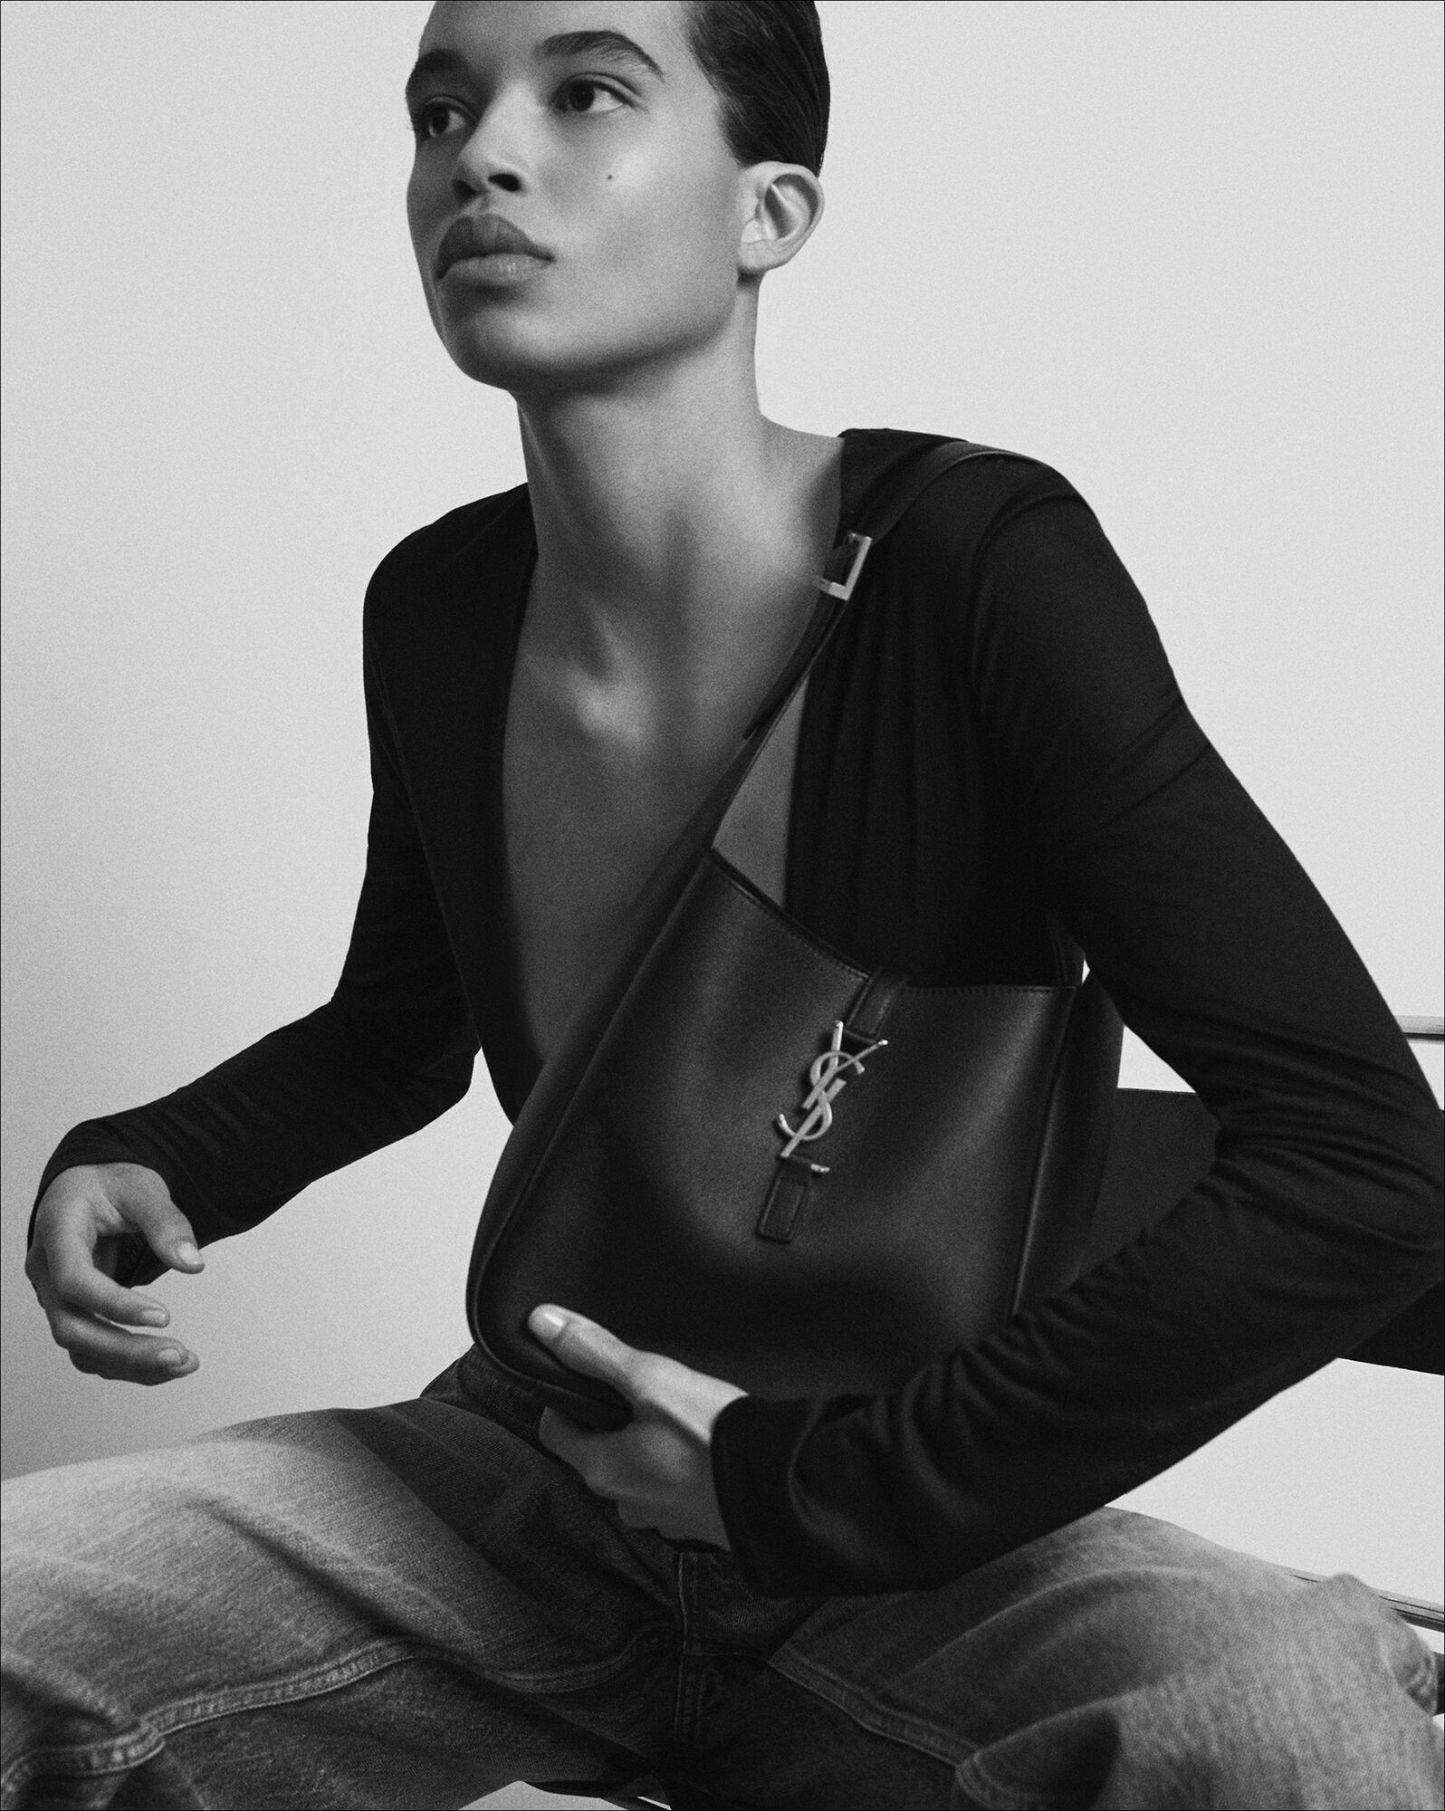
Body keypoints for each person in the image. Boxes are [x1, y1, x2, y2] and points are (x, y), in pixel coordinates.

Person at [4, 3, 1442, 1806]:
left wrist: (807, 1485)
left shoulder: (970, 564)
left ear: (769, 212)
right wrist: (160, 1155)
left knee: (1290, 1729)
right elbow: (402, 1030)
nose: (480, 155)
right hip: (535, 1478)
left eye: (585, 92)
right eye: (439, 111)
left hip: (914, 1519)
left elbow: (1361, 1169)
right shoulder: (439, 607)